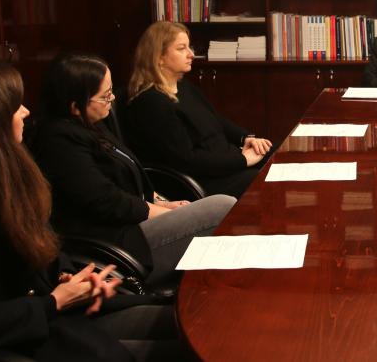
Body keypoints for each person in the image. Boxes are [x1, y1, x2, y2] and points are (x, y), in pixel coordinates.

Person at [0, 58, 189, 362]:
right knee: (184, 348)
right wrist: (54, 301)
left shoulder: (0, 174)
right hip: (15, 341)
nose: (25, 111)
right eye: (15, 106)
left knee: (183, 323)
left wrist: (67, 277)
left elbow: (33, 254)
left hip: (50, 321)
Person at [31, 53, 236, 287]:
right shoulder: (59, 142)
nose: (112, 98)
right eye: (105, 96)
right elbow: (105, 200)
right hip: (118, 240)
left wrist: (161, 203)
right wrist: (162, 213)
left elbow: (128, 172)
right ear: (75, 106)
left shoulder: (92, 124)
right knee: (222, 206)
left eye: (111, 91)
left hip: (134, 219)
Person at [122, 21, 273, 198]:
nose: (191, 54)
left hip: (224, 160)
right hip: (203, 179)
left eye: (189, 47)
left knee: (277, 151)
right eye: (181, 48)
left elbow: (215, 119)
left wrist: (247, 138)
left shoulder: (184, 87)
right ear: (159, 57)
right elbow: (187, 160)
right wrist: (242, 160)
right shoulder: (151, 102)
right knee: (264, 179)